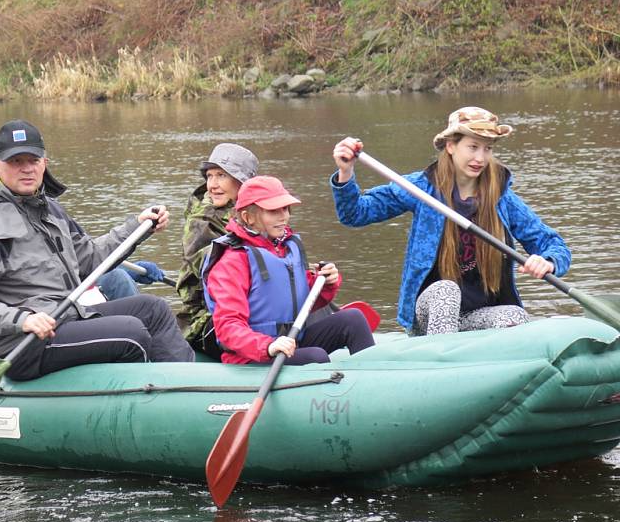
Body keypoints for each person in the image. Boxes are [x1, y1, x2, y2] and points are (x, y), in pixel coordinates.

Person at [0, 120, 193, 380]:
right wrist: (21, 320)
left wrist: (137, 227)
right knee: (131, 331)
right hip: (21, 343)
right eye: (16, 161)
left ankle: (188, 387)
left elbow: (91, 259)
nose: (27, 168)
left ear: (44, 163)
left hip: (69, 319)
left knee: (153, 309)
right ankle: (151, 401)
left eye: (33, 160)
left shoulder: (53, 212)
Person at [330, 106, 571, 336]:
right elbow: (355, 214)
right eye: (473, 147)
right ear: (451, 146)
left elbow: (553, 244)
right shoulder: (421, 188)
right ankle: (440, 365)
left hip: (475, 317)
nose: (480, 157)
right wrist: (346, 173)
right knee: (447, 291)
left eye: (487, 149)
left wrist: (548, 261)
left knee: (515, 315)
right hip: (430, 314)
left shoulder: (501, 198)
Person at [202, 175, 375, 365]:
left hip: (291, 342)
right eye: (273, 211)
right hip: (251, 356)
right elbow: (228, 327)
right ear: (247, 217)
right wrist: (268, 346)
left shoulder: (284, 248)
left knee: (353, 320)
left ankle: (374, 380)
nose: (283, 216)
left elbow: (298, 302)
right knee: (316, 357)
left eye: (285, 208)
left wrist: (325, 283)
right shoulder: (232, 262)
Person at [176, 143, 258, 358]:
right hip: (205, 318)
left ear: (243, 183)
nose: (213, 185)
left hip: (249, 306)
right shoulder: (202, 222)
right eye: (210, 176)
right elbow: (212, 273)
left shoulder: (261, 213)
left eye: (221, 176)